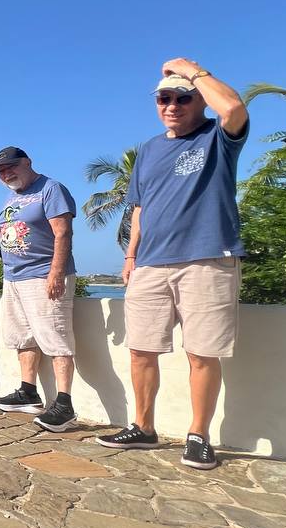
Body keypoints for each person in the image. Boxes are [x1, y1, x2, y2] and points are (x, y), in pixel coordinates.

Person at [99, 58, 249, 470]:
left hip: (207, 259)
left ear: (199, 100)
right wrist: (130, 257)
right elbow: (140, 208)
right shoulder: (148, 150)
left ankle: (198, 435)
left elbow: (234, 108)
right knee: (140, 350)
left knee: (202, 353)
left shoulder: (218, 137)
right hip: (150, 264)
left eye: (183, 98)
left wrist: (193, 69)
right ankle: (143, 428)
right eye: (165, 97)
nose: (173, 105)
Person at [0, 147, 80, 433]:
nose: (7, 173)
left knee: (55, 336)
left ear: (27, 163)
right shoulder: (11, 196)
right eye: (1, 171)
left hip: (42, 275)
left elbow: (62, 232)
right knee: (22, 337)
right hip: (13, 277)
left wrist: (56, 273)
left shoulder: (51, 189)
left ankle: (64, 403)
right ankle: (28, 391)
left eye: (11, 167)